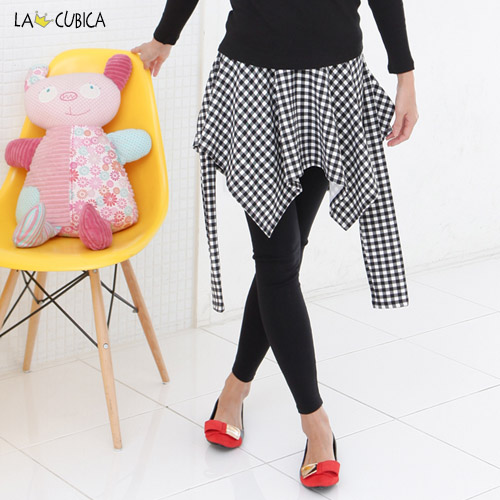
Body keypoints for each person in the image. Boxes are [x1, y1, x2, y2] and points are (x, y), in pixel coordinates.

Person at [131, 0, 418, 489]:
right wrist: (165, 36)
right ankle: (315, 422)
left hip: (332, 82)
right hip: (253, 80)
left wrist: (404, 75)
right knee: (278, 261)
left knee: (283, 260)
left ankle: (234, 389)